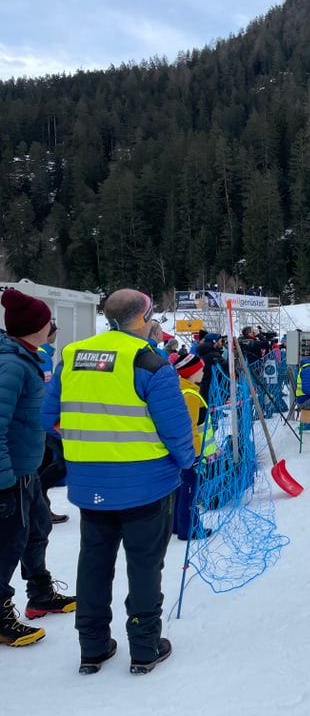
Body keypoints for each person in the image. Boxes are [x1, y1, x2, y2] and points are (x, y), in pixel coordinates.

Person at [41, 288, 195, 675]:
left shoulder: (73, 356)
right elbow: (176, 430)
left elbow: (49, 417)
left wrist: (85, 440)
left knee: (93, 562)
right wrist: (187, 461)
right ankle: (145, 647)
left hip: (89, 483)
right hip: (146, 483)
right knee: (144, 566)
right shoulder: (149, 362)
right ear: (144, 317)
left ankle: (92, 646)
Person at [0, 289, 76, 648]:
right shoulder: (13, 364)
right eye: (49, 321)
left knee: (37, 531)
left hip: (26, 471)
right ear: (36, 326)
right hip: (10, 475)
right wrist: (4, 481)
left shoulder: (27, 357)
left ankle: (41, 594)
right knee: (8, 544)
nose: (53, 326)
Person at [171, 353, 215, 541]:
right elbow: (189, 427)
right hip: (191, 452)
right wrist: (195, 454)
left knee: (180, 489)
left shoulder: (181, 389)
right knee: (190, 490)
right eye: (201, 369)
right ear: (192, 372)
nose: (203, 372)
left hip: (182, 451)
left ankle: (177, 525)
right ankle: (189, 528)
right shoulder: (189, 394)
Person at [36, 321, 69, 524]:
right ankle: (37, 504)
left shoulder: (40, 355)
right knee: (59, 463)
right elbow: (45, 394)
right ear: (52, 334)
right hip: (41, 424)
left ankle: (40, 506)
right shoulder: (42, 357)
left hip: (37, 422)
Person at [197, 332, 226, 403]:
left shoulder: (204, 352)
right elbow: (226, 367)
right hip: (212, 387)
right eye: (220, 340)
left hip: (205, 386)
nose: (222, 342)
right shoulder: (213, 355)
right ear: (215, 342)